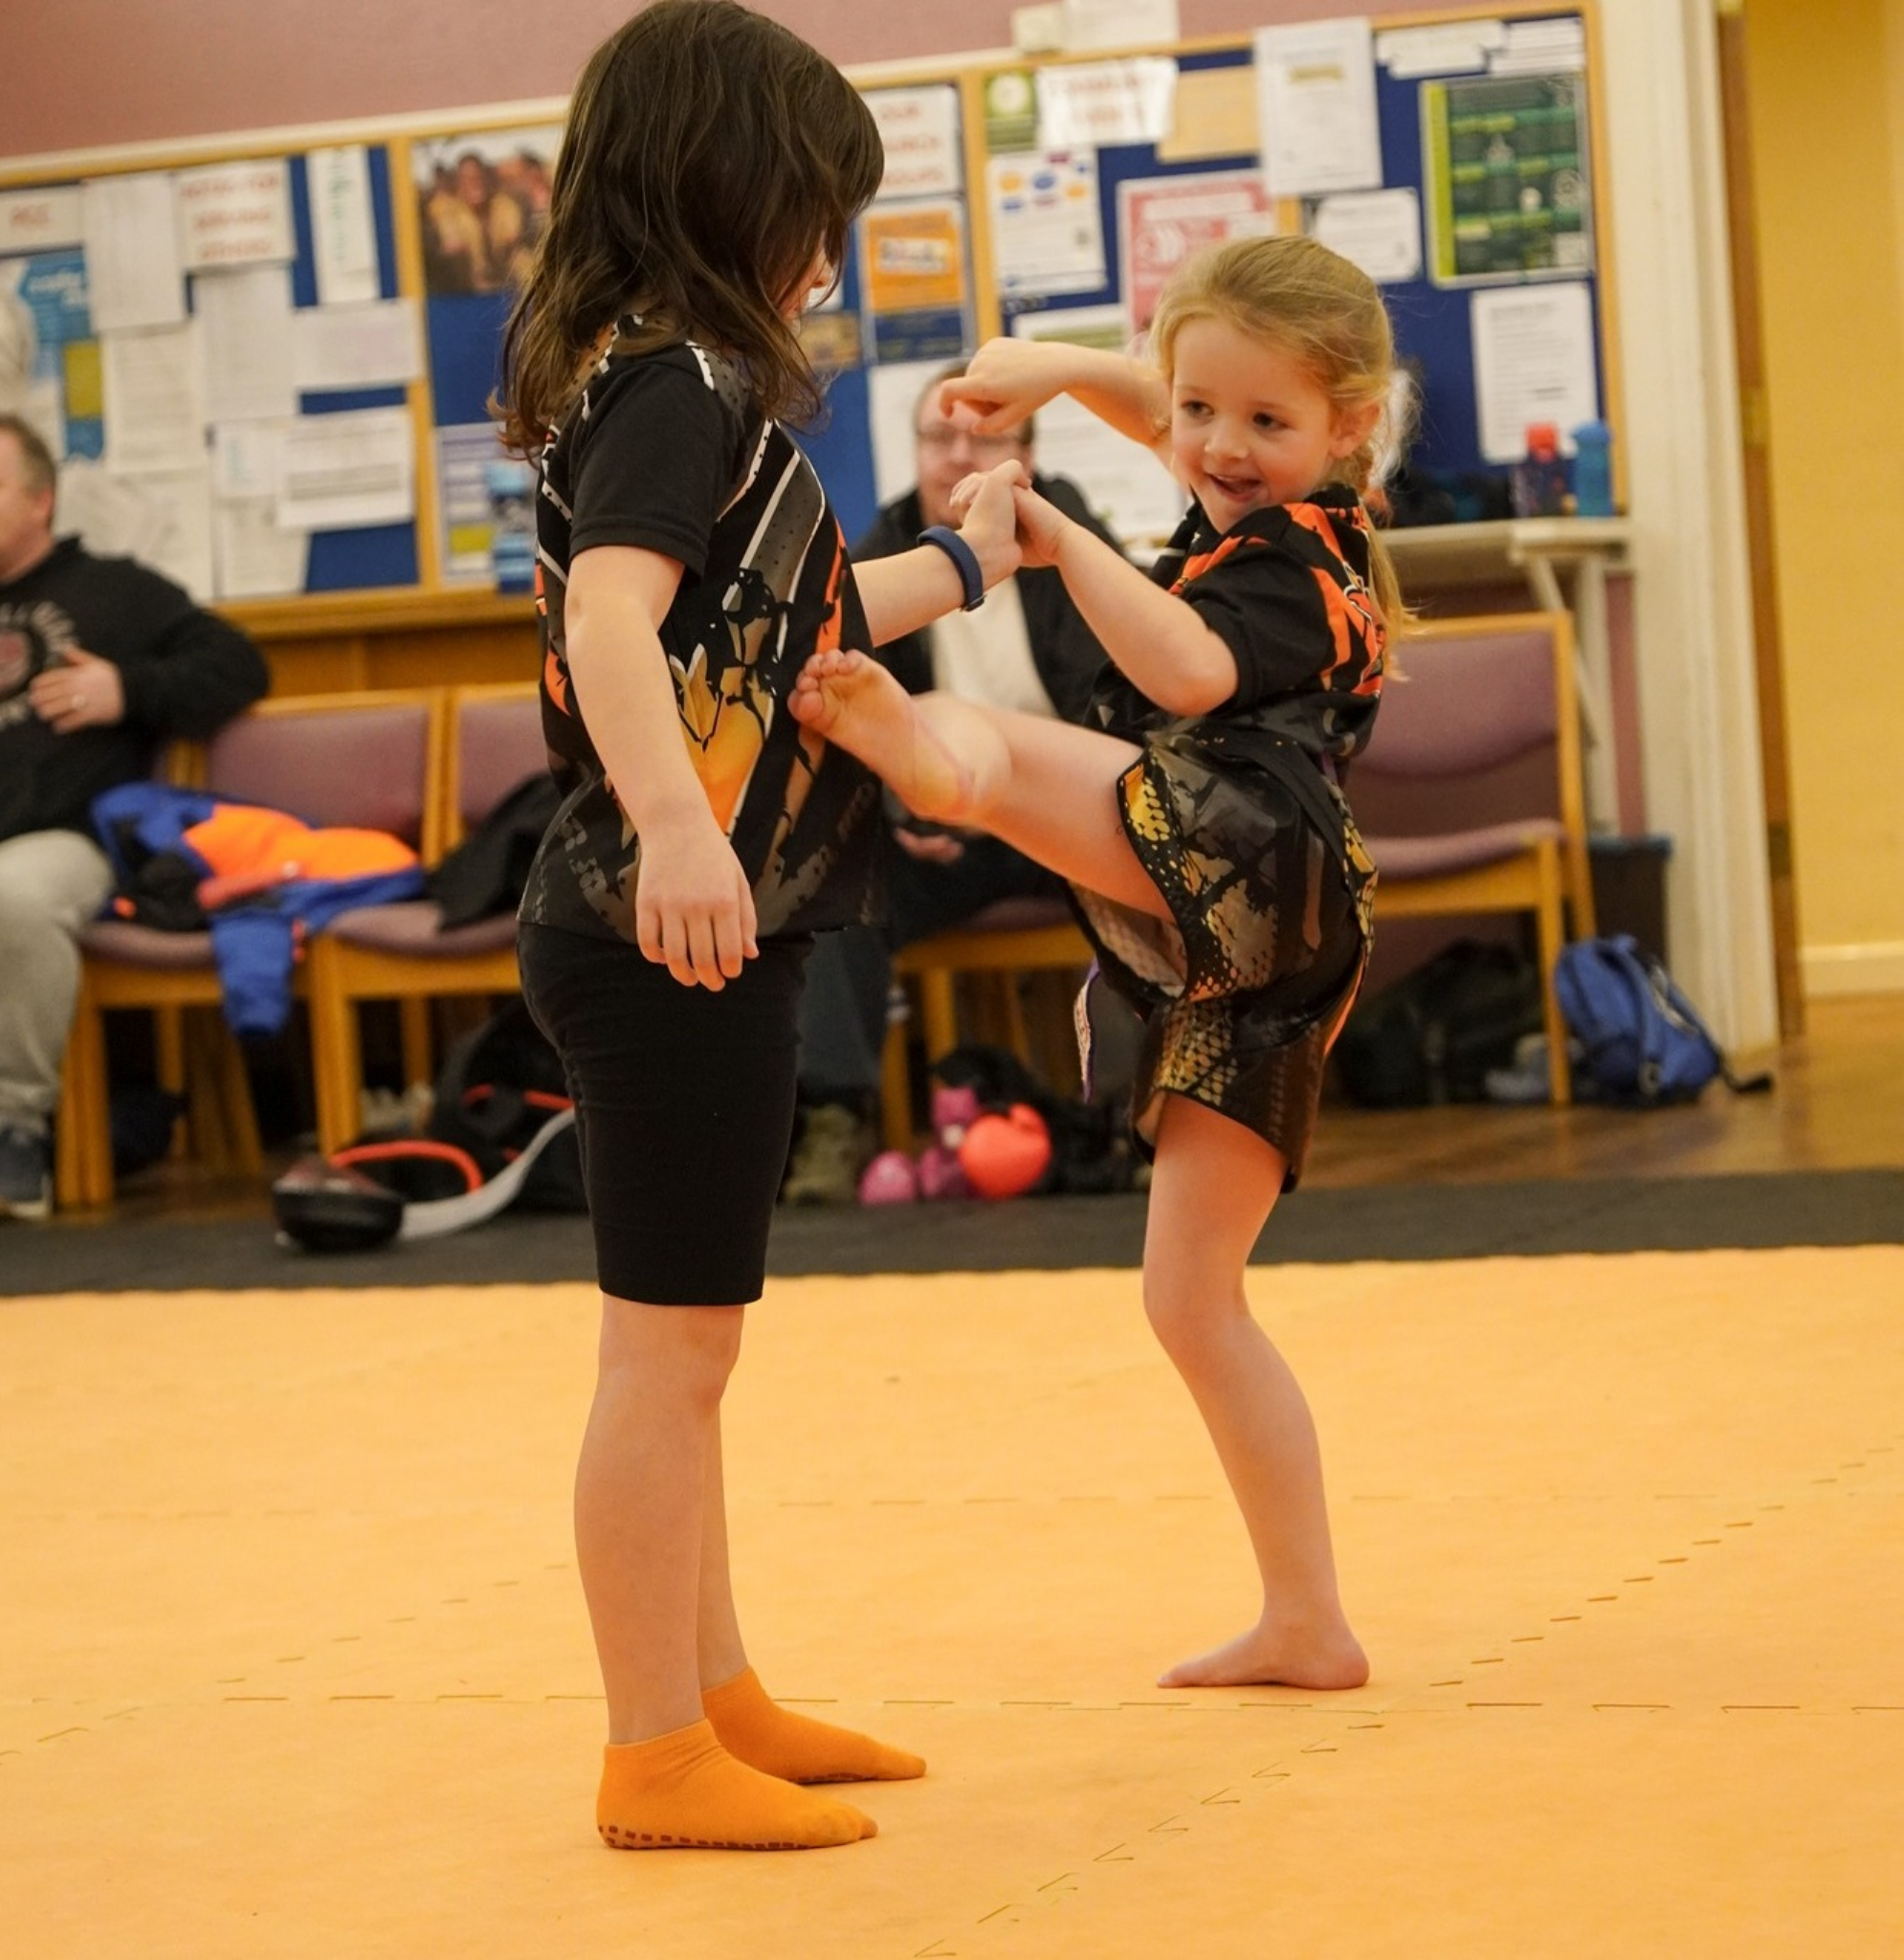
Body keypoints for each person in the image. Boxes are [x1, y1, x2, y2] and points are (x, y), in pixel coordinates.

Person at [497, 0, 1022, 1851]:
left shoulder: (682, 382)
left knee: (691, 1342)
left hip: (706, 915)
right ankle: (651, 1746)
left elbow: (778, 619)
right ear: (729, 191)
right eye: (816, 213)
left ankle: (711, 1691)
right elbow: (610, 623)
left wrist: (967, 559)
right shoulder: (676, 380)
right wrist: (673, 829)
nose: (827, 255)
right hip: (660, 925)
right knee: (669, 1351)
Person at [792, 234, 1405, 1691]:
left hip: (1248, 852)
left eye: (1263, 420)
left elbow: (1186, 670)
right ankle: (1307, 1617)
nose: (1218, 446)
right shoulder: (1275, 486)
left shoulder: (1301, 555)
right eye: (1199, 409)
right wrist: (1066, 372)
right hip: (1265, 925)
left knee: (996, 752)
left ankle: (932, 767)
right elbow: (1179, 412)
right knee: (1190, 1298)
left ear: (1346, 429)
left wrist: (1058, 538)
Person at [782, 364, 1118, 1201]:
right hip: (945, 830)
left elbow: (1117, 707)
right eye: (940, 437)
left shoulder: (1073, 540)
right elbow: (847, 718)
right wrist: (904, 807)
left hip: (1068, 814)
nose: (959, 457)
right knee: (830, 874)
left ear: (1027, 457)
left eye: (985, 438)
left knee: (1164, 855)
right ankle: (833, 1119)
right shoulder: (882, 555)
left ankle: (1142, 1122)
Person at [0, 412, 269, 1220]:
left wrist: (126, 689)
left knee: (18, 898)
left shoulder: (113, 592)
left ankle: (15, 1133)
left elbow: (239, 664)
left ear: (40, 500)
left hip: (48, 849)